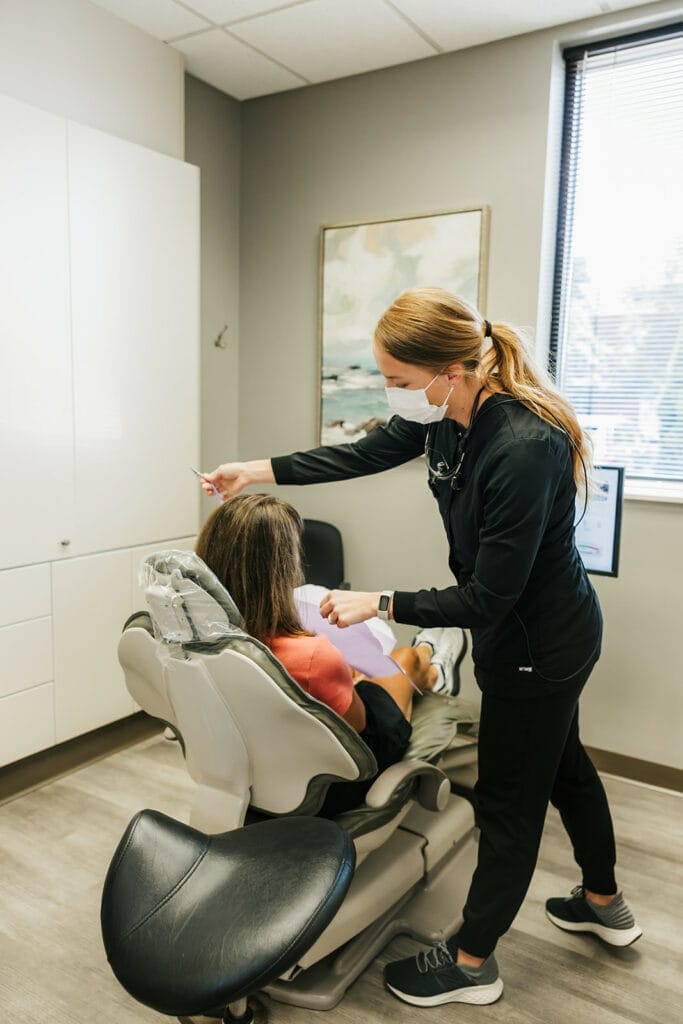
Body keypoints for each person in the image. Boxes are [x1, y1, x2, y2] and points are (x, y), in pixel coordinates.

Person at [202, 287, 642, 1007]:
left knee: (507, 801)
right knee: (563, 767)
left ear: (453, 369)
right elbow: (363, 452)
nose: (390, 394)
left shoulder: (524, 445)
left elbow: (489, 599)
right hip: (526, 632)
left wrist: (378, 603)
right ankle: (602, 904)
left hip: (537, 642)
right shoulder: (445, 418)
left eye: (399, 382)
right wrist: (256, 470)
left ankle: (471, 964)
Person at [194, 491, 462, 816]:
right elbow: (358, 731)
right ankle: (432, 668)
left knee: (364, 671)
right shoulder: (312, 655)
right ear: (282, 567)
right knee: (402, 660)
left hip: (250, 778)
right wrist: (342, 674)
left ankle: (429, 665)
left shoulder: (200, 643)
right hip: (328, 787)